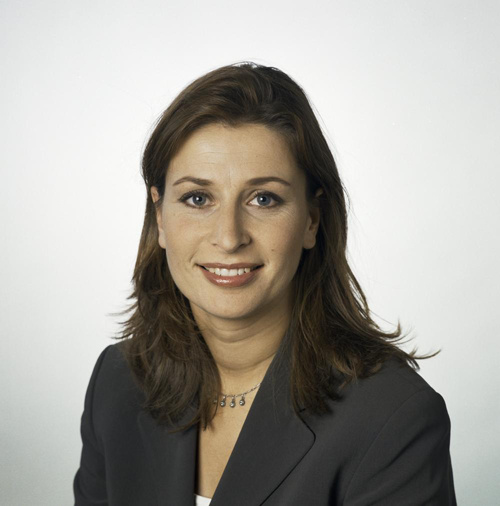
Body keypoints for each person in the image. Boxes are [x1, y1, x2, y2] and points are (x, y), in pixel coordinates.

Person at [73, 61, 457, 506]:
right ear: (160, 216)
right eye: (197, 198)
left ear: (311, 220)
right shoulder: (117, 382)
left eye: (263, 199)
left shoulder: (394, 418)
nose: (229, 237)